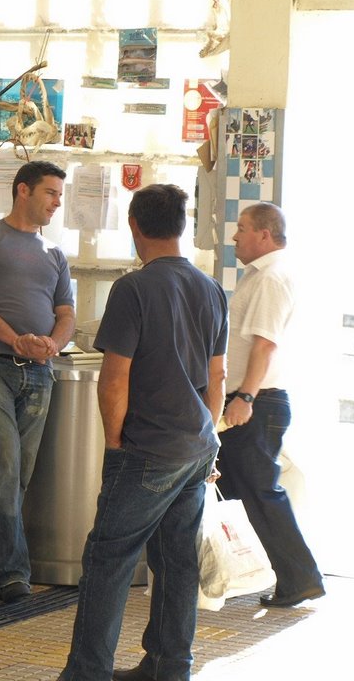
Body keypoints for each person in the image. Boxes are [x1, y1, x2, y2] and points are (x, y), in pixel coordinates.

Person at [60, 184, 228, 681]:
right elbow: (216, 377)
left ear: (135, 226)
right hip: (194, 445)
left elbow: (115, 378)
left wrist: (114, 444)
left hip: (146, 449)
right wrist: (209, 435)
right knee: (177, 562)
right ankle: (168, 667)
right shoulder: (211, 288)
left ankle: (87, 673)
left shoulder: (133, 289)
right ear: (181, 226)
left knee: (109, 559)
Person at [0, 160, 76, 604]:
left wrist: (52, 345)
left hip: (38, 374)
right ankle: (11, 572)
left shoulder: (55, 254)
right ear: (22, 190)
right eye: (50, 193)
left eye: (60, 195)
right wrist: (15, 339)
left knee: (17, 475)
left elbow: (67, 314)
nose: (57, 202)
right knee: (4, 469)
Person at [217, 202, 324, 608]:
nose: (235, 237)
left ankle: (300, 578)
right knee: (232, 491)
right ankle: (245, 573)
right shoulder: (261, 276)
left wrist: (245, 396)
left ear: (264, 234)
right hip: (252, 399)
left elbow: (264, 344)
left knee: (262, 493)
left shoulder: (272, 278)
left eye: (241, 228)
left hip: (258, 402)